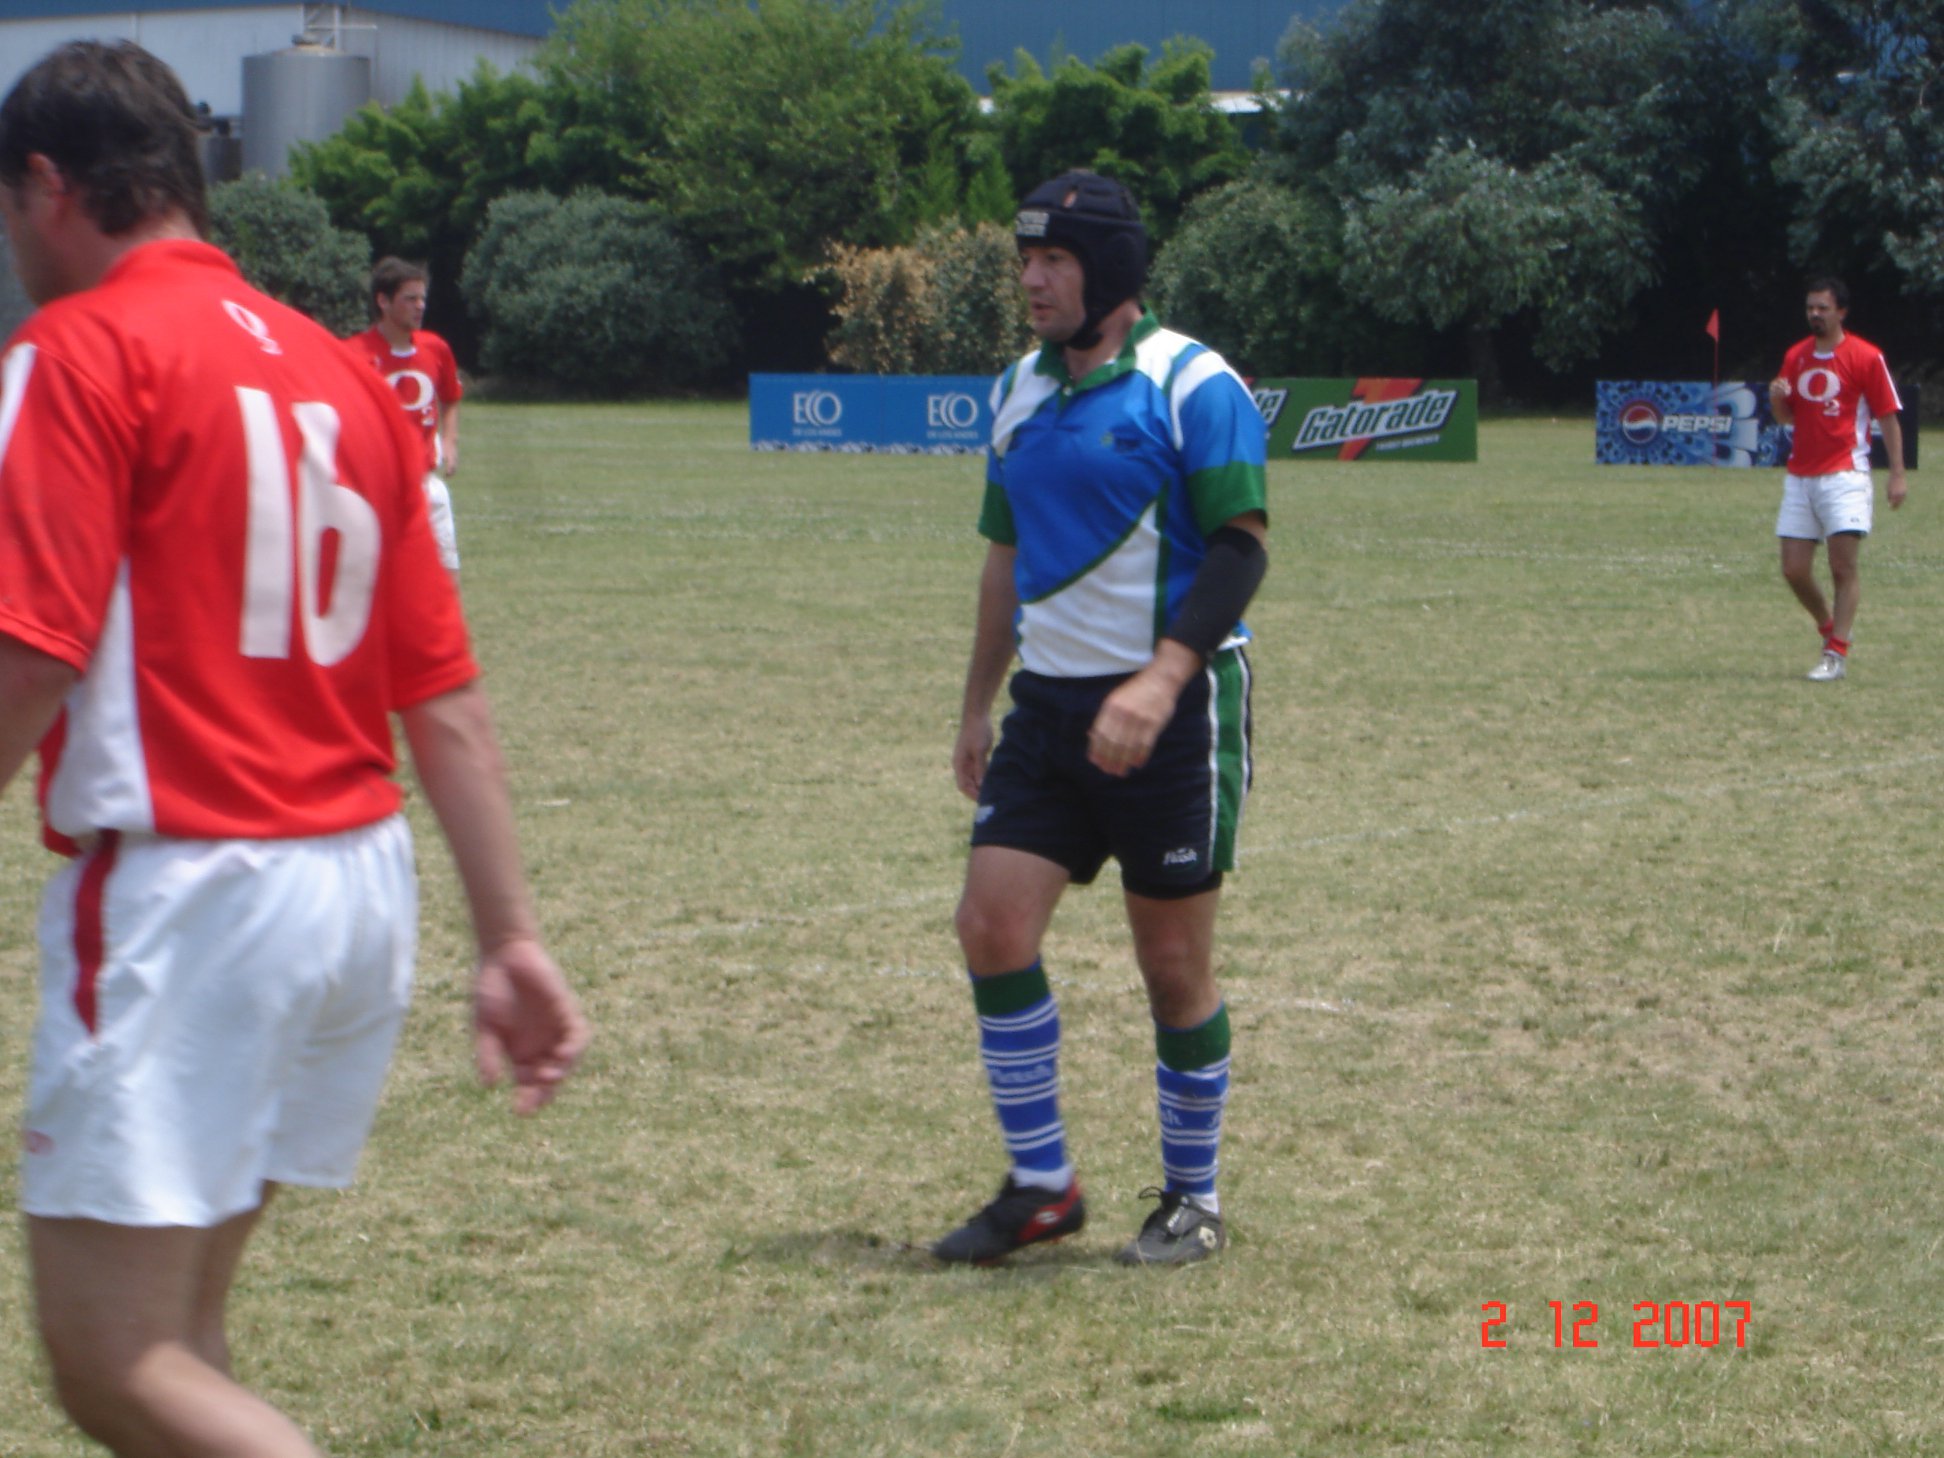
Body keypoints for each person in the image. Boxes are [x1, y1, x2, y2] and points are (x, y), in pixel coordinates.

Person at [0, 41, 587, 1457]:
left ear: (46, 187)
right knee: (187, 1341)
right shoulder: (335, 375)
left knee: (113, 1358)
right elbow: (440, 694)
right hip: (349, 887)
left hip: (189, 891)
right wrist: (507, 931)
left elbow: (32, 647)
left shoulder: (75, 352)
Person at [934, 170, 1268, 1268]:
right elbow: (1004, 560)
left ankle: (1194, 1199)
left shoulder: (1194, 384)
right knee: (991, 926)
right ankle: (1043, 1186)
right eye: (1027, 259)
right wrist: (979, 703)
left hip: (1173, 715)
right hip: (1049, 712)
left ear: (1112, 273)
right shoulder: (1016, 393)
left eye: (1057, 260)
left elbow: (1241, 547)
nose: (1032, 279)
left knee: (1171, 968)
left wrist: (1164, 678)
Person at [1768, 277, 1907, 682]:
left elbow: (1887, 416)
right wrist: (1777, 398)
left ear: (1841, 312)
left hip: (1845, 474)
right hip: (1801, 476)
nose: (1815, 314)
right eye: (1810, 307)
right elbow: (1787, 416)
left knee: (1842, 568)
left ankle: (1836, 654)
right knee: (1794, 569)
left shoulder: (1865, 356)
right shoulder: (1796, 356)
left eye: (1823, 308)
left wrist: (1896, 474)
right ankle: (1829, 627)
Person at [348, 256, 464, 572]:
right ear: (383, 301)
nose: (420, 305)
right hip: (377, 491)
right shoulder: (353, 355)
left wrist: (449, 441)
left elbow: (451, 397)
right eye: (410, 298)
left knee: (444, 582)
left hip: (427, 486)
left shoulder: (435, 349)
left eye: (422, 297)